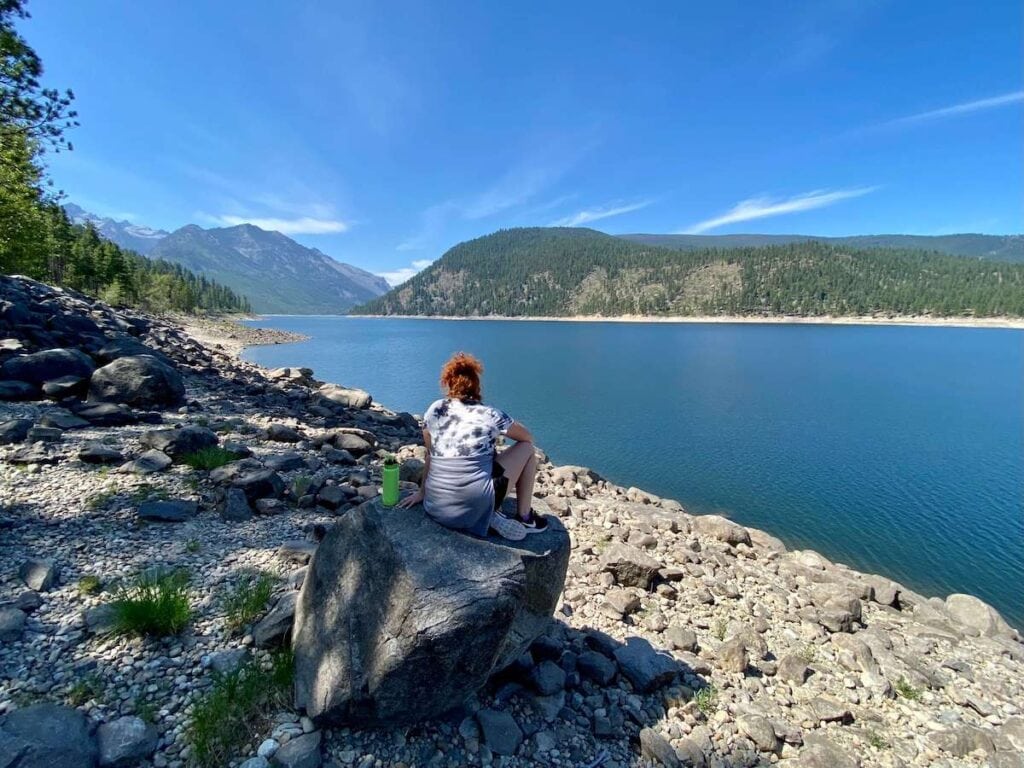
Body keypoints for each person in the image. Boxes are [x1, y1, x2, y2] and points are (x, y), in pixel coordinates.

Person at [398, 351, 547, 541]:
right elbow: (527, 437)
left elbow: (431, 455)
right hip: (474, 502)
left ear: (448, 383)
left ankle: (488, 513)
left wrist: (421, 493)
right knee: (526, 449)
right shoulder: (490, 414)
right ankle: (525, 517)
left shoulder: (435, 409)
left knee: (478, 457)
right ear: (476, 385)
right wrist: (498, 429)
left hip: (436, 507)